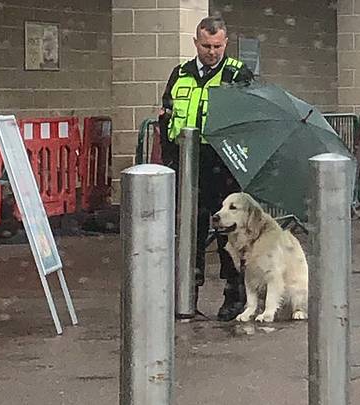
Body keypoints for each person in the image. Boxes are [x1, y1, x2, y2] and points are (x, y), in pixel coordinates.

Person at [158, 16, 253, 321]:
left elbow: (247, 120)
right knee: (189, 231)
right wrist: (171, 159)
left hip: (224, 165)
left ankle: (234, 296)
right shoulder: (181, 74)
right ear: (195, 43)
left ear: (226, 43)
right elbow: (167, 116)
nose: (211, 52)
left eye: (217, 46)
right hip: (188, 164)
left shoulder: (237, 74)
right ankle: (187, 295)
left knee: (230, 233)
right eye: (206, 45)